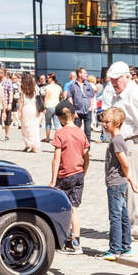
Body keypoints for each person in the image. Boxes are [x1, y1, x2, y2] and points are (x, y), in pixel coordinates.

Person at [104, 61, 138, 240]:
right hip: (119, 142)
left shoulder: (134, 94)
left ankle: (137, 226)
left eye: (117, 79)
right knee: (122, 187)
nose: (114, 83)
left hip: (131, 143)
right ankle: (127, 225)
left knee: (132, 185)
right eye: (112, 80)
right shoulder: (117, 94)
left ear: (126, 77)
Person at [49, 103, 89, 250]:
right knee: (75, 209)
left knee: (62, 207)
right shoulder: (81, 132)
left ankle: (62, 236)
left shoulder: (60, 133)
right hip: (78, 175)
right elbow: (86, 156)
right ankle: (76, 240)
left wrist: (53, 181)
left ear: (59, 118)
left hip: (64, 176)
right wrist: (83, 172)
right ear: (74, 115)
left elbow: (56, 158)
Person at [101, 105, 136, 260]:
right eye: (103, 121)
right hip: (119, 182)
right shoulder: (117, 140)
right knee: (123, 215)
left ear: (117, 123)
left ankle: (115, 249)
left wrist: (128, 177)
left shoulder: (116, 141)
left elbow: (125, 163)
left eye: (107, 122)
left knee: (115, 216)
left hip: (115, 183)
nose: (104, 124)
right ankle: (125, 247)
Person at [19, 72, 42, 153]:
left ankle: (28, 145)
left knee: (25, 128)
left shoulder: (22, 87)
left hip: (26, 108)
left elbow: (21, 101)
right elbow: (38, 98)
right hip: (34, 108)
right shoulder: (35, 87)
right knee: (34, 128)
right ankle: (34, 146)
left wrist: (19, 112)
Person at [42, 74, 62, 142]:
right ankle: (58, 139)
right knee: (57, 123)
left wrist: (44, 107)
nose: (47, 79)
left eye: (48, 78)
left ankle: (47, 138)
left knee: (48, 122)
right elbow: (60, 97)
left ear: (51, 78)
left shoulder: (47, 87)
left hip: (49, 106)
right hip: (57, 105)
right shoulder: (58, 87)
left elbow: (46, 97)